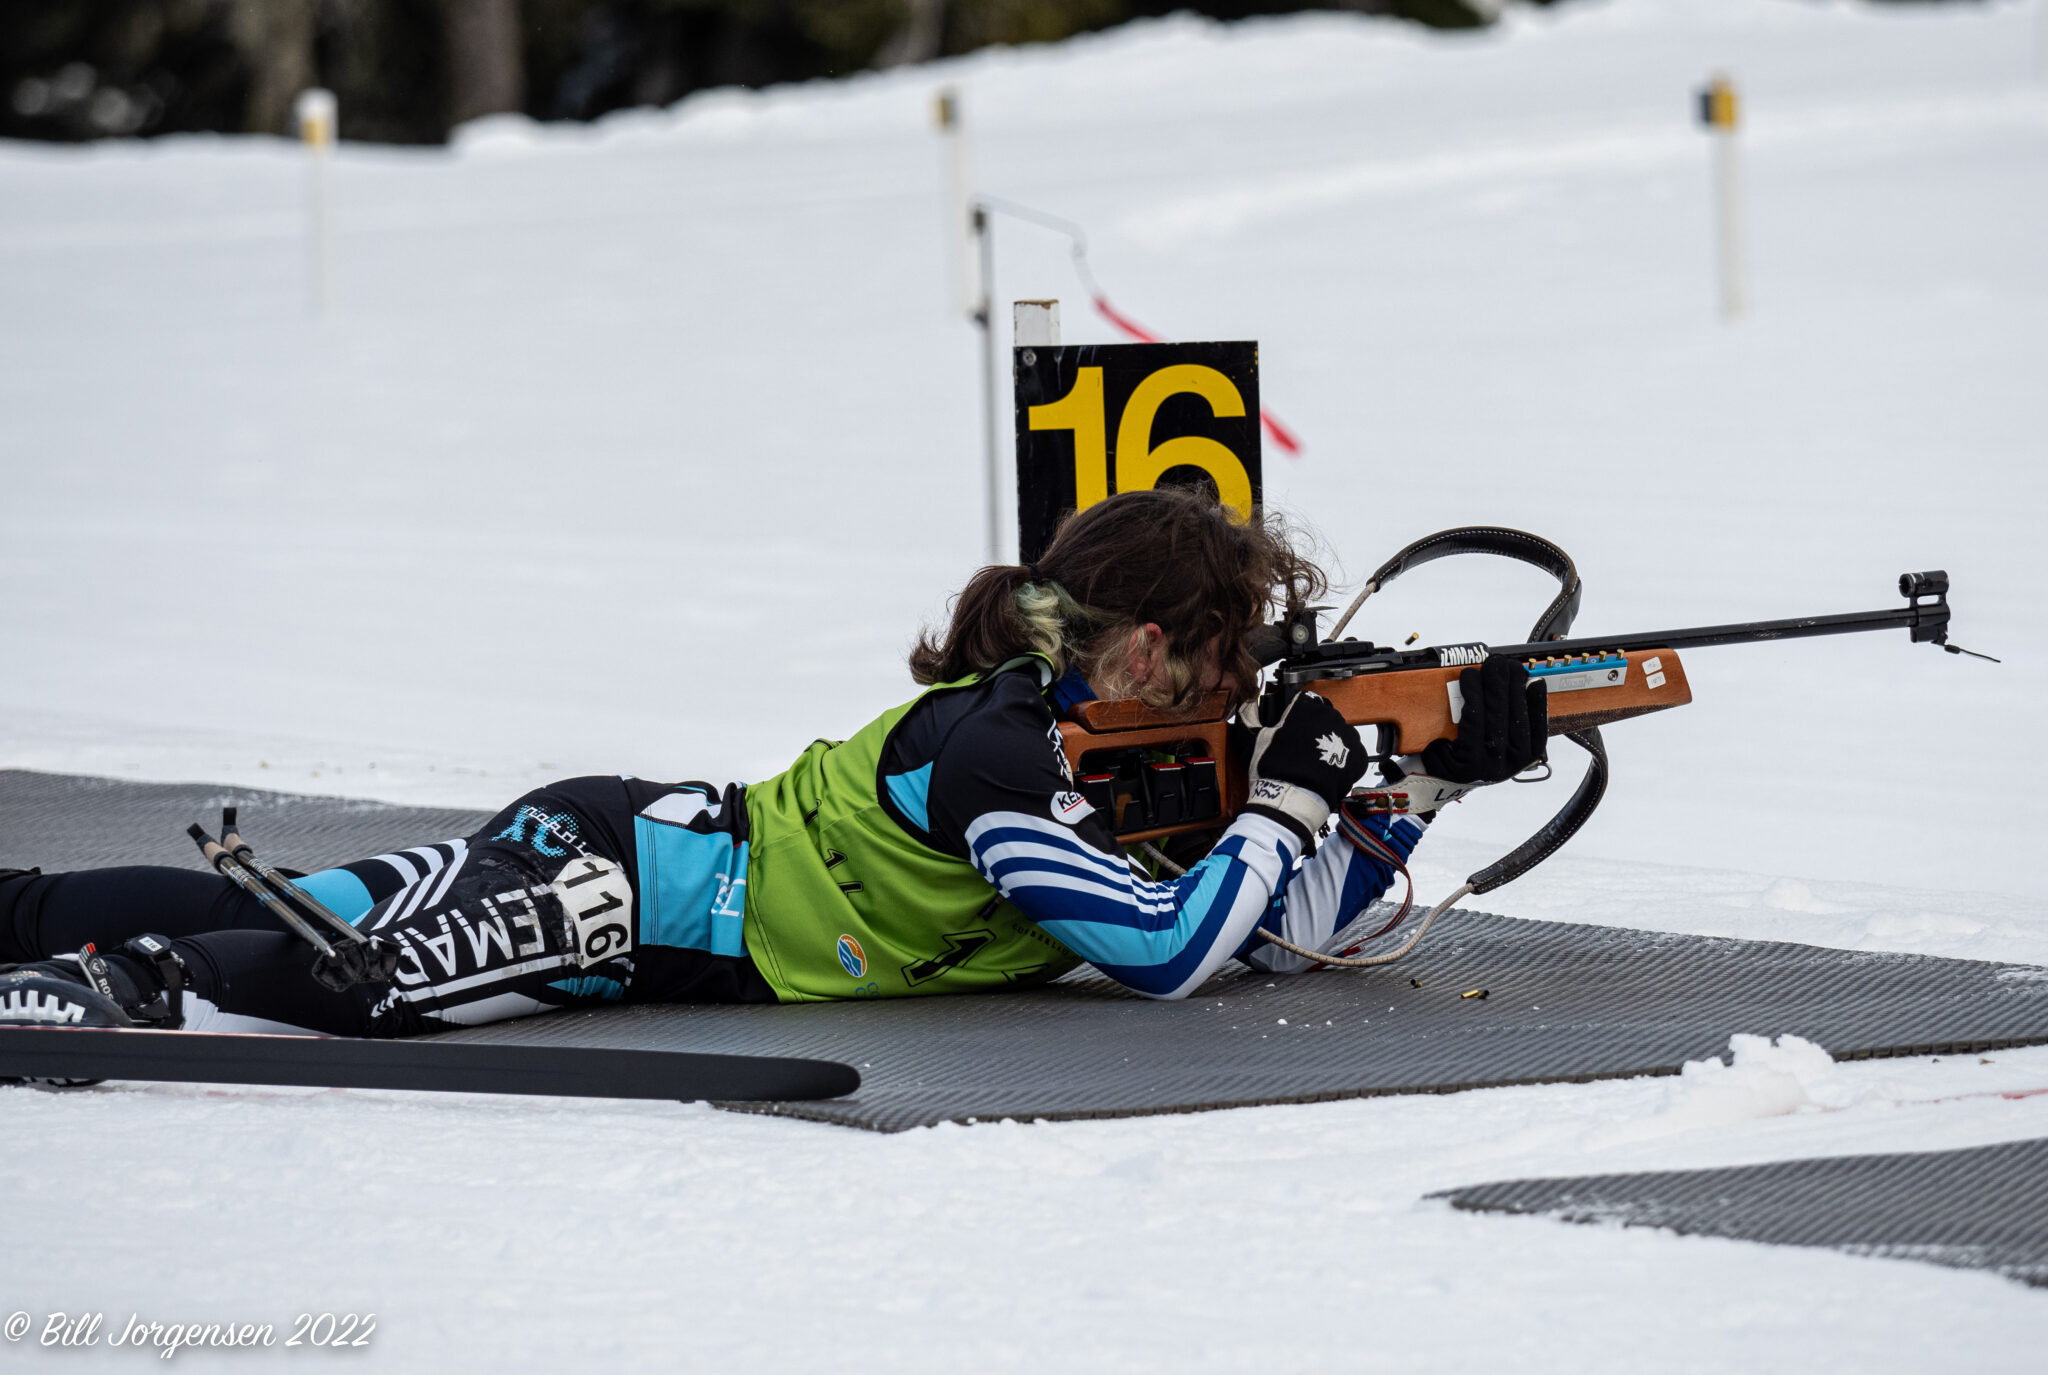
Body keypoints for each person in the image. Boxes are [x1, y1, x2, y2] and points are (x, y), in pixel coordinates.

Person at [0, 487, 1542, 1039]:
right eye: (1225, 657)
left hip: (657, 879)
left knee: (317, 923)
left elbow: (1276, 933)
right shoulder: (1003, 752)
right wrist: (1289, 798)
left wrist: (1404, 795)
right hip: (638, 889)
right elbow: (1162, 954)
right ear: (1144, 654)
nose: (1243, 685)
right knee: (358, 970)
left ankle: (28, 912)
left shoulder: (1107, 748)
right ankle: (105, 985)